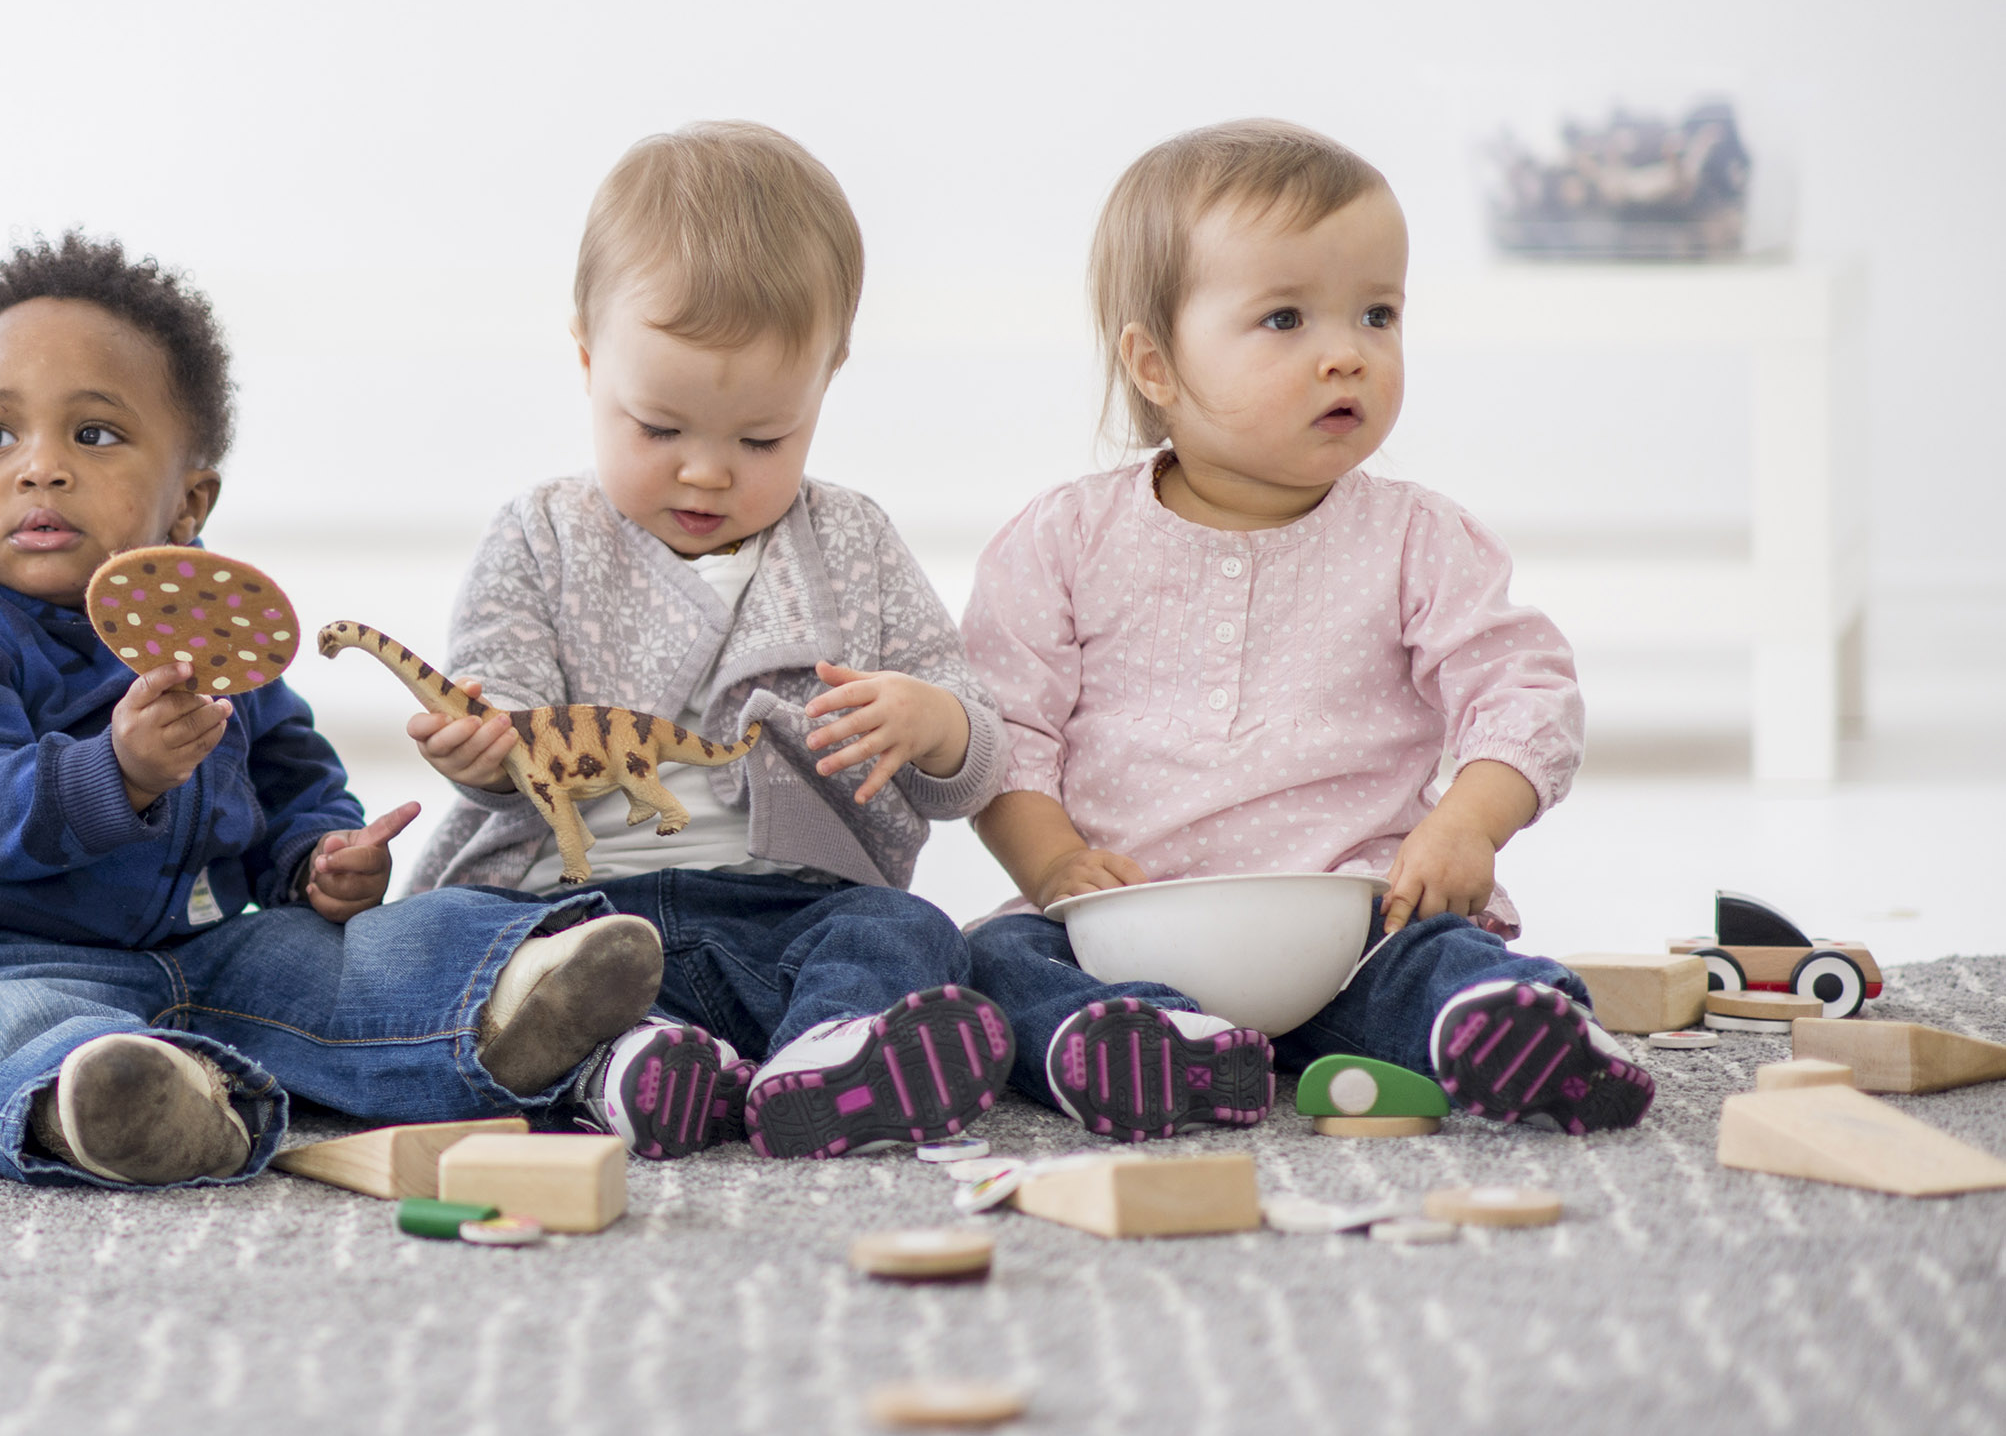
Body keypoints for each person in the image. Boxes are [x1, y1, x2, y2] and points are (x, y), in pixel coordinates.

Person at [0, 235, 663, 1189]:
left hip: (202, 949)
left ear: (189, 501)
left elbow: (288, 769)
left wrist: (318, 861)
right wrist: (116, 772)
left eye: (94, 435)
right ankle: (113, 1100)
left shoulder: (208, 625)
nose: (38, 469)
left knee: (341, 955)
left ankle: (505, 1003)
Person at [959, 120, 1653, 1140]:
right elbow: (999, 727)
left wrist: (1465, 824)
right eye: (1284, 319)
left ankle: (1504, 1031)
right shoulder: (1060, 540)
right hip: (1120, 930)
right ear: (1154, 363)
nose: (1346, 355)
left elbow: (1523, 689)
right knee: (989, 964)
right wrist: (1053, 865)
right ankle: (1139, 1047)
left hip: (1353, 921)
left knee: (1434, 963)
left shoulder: (1417, 538)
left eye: (1376, 315)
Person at [399, 123, 1015, 1161]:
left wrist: (934, 724)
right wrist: (482, 744)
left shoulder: (852, 542)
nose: (705, 474)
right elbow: (495, 705)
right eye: (658, 429)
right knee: (462, 960)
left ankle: (826, 1056)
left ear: (827, 381)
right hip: (578, 911)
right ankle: (629, 1066)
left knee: (912, 935)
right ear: (589, 360)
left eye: (762, 440)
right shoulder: (540, 537)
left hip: (787, 911)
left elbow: (969, 771)